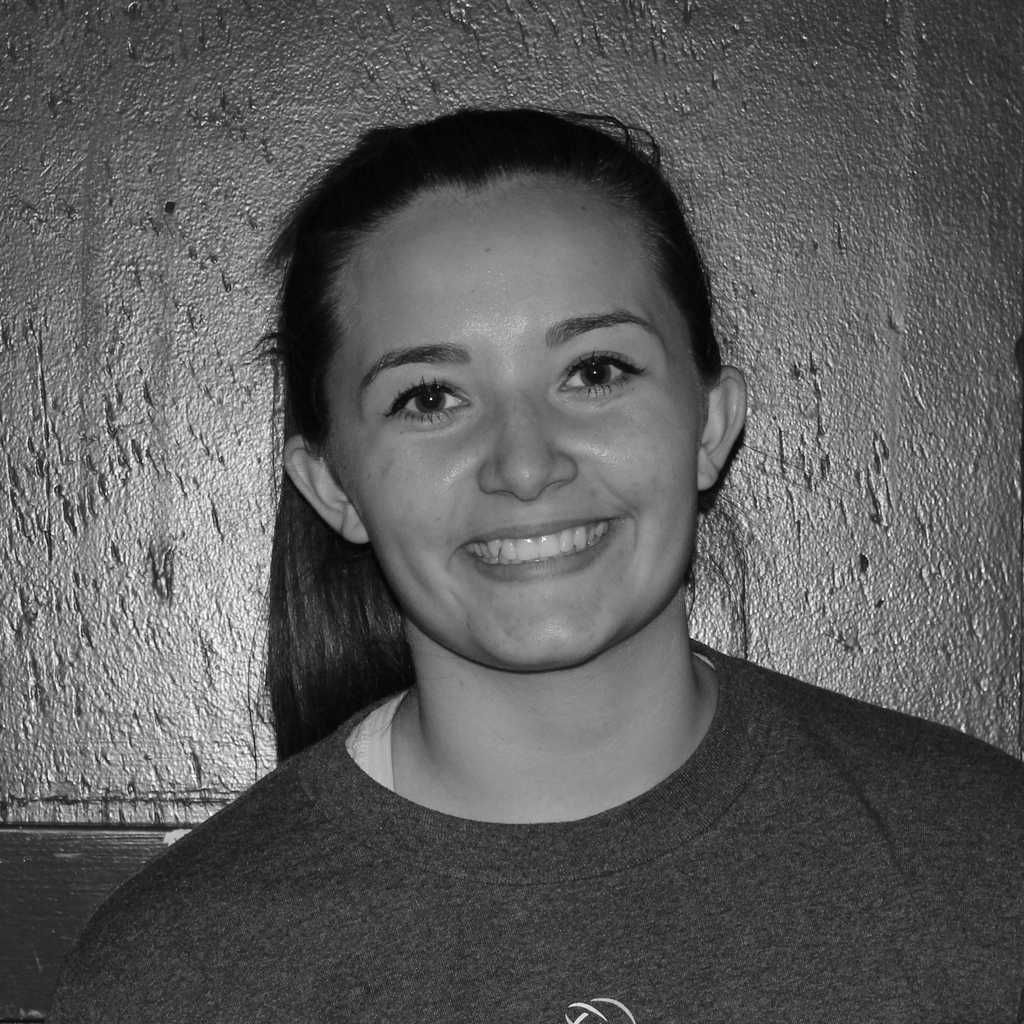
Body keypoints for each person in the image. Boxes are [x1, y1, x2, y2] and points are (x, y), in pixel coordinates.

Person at [50, 108, 1023, 1023]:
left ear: (710, 427)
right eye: (429, 397)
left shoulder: (986, 863)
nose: (524, 465)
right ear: (333, 485)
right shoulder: (179, 971)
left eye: (594, 372)